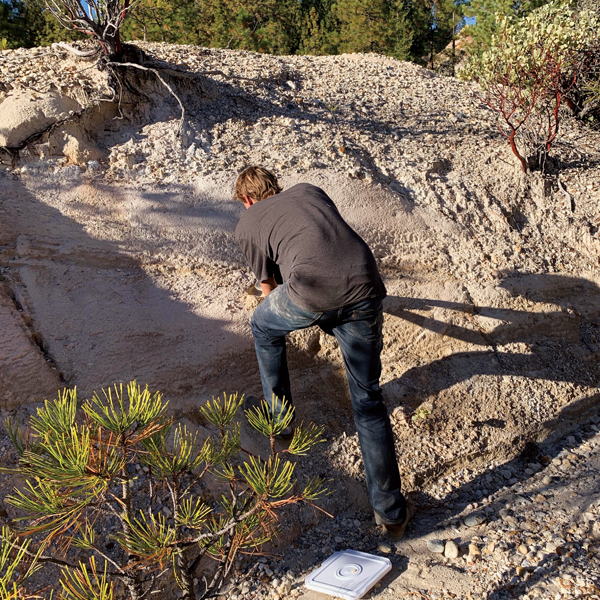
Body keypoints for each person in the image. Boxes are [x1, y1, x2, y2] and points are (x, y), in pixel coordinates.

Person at [233, 166, 413, 540]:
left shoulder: (248, 221)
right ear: (275, 186)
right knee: (368, 401)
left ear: (247, 200)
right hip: (365, 284)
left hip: (312, 291)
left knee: (263, 325)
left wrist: (303, 314)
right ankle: (391, 514)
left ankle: (280, 425)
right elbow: (327, 242)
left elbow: (268, 289)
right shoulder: (308, 190)